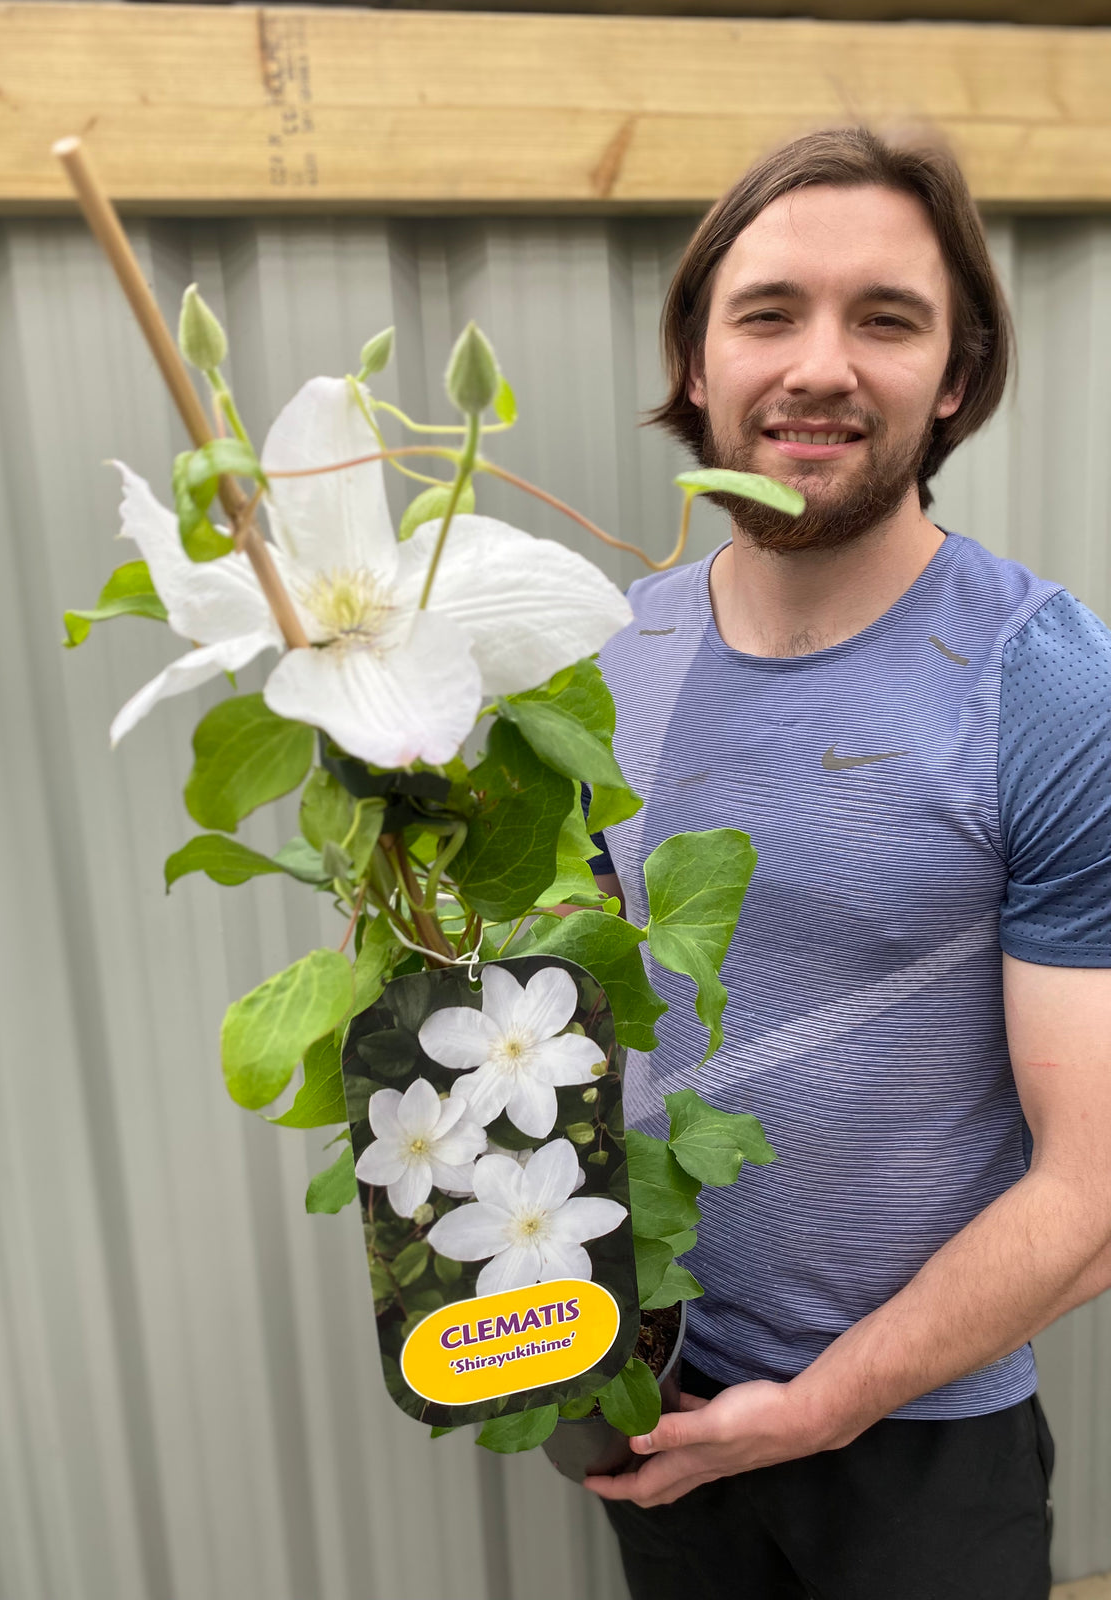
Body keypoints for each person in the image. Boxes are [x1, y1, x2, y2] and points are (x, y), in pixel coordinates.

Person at [582, 126, 1111, 1600]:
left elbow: (1097, 1187)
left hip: (922, 1445)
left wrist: (823, 1406)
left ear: (954, 378)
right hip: (659, 1394)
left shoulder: (1048, 686)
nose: (821, 364)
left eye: (886, 318)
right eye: (768, 313)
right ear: (698, 360)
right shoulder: (608, 662)